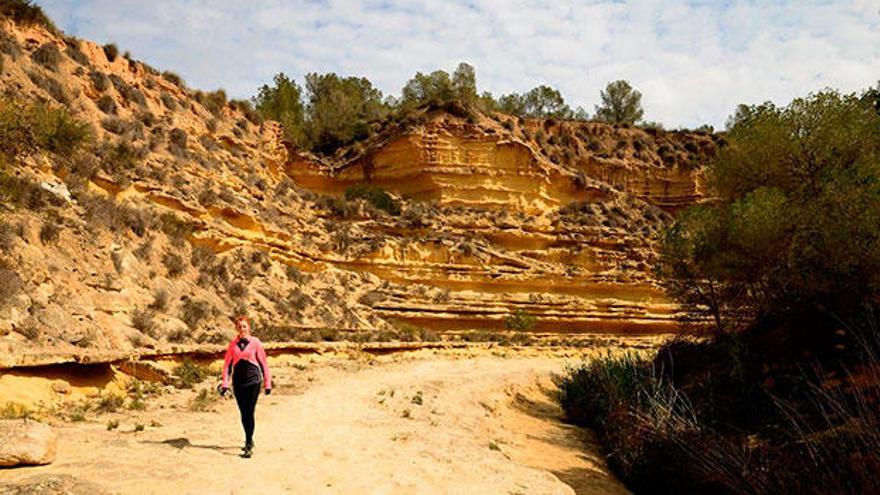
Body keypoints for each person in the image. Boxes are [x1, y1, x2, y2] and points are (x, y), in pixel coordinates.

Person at [219, 315, 272, 458]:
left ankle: (248, 442)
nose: (242, 329)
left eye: (244, 326)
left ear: (249, 327)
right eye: (239, 326)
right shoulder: (232, 345)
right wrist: (225, 384)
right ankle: (249, 438)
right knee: (243, 413)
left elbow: (263, 364)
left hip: (254, 382)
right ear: (236, 328)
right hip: (238, 383)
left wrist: (267, 383)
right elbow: (227, 366)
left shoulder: (256, 343)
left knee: (249, 411)